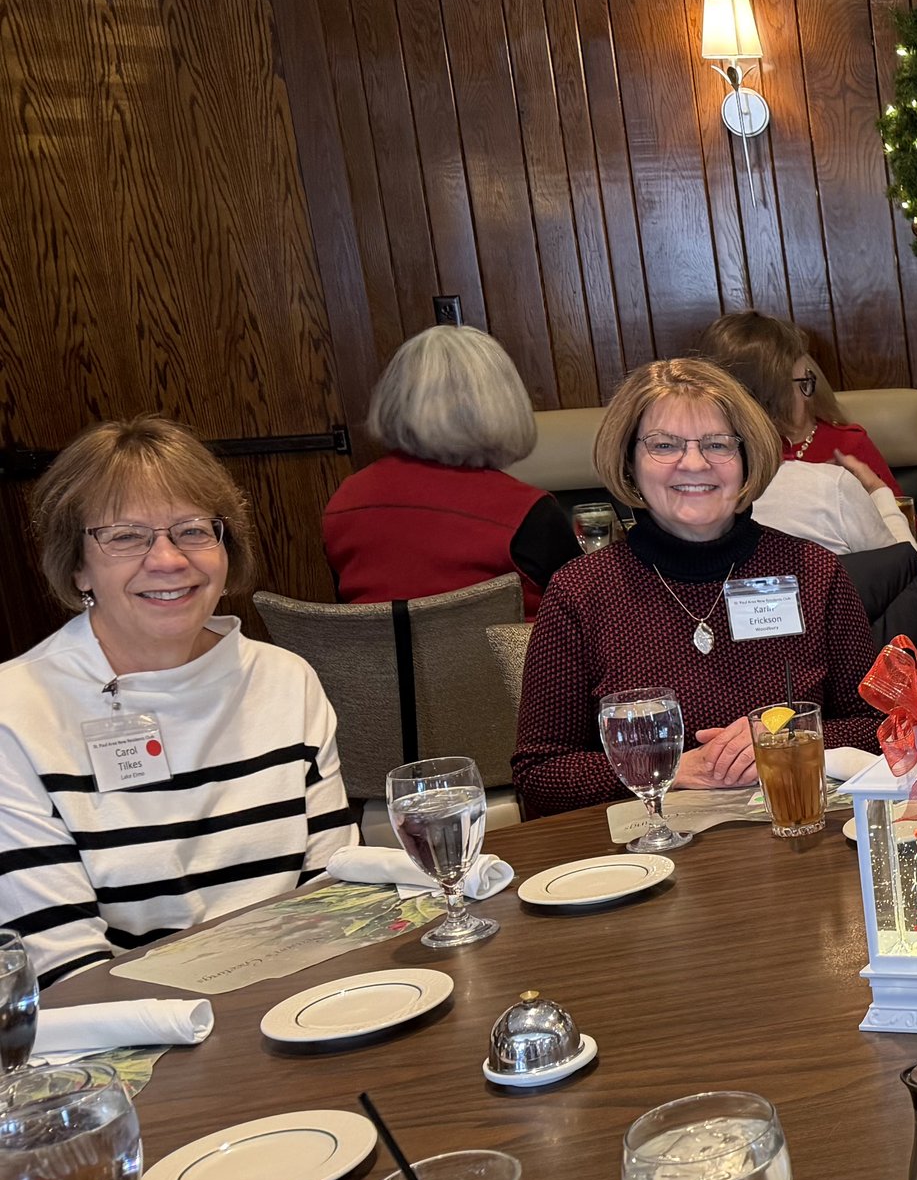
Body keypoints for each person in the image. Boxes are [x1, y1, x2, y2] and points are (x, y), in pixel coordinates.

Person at [0, 418, 356, 989]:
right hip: (127, 1021)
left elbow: (335, 894)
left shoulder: (285, 681)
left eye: (192, 530)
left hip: (304, 1001)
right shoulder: (15, 713)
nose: (167, 560)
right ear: (77, 566)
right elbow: (65, 968)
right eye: (125, 536)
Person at [511, 358, 882, 817]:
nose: (694, 463)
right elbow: (540, 773)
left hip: (796, 829)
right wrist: (672, 769)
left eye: (717, 444)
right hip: (652, 848)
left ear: (747, 459)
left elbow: (879, 726)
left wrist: (789, 736)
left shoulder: (811, 571)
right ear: (629, 462)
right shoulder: (582, 593)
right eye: (664, 445)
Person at [321, 326, 581, 616]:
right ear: (502, 403)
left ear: (394, 398)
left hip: (375, 648)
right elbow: (591, 608)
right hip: (507, 648)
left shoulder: (343, 503)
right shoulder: (528, 512)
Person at [708, 331, 915, 554]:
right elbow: (904, 562)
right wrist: (875, 489)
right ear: (772, 394)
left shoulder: (697, 480)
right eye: (802, 382)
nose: (808, 392)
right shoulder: (830, 484)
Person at [700, 310, 902, 498]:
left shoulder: (846, 444)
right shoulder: (703, 456)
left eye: (808, 381)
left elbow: (902, 517)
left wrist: (871, 492)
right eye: (801, 383)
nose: (808, 396)